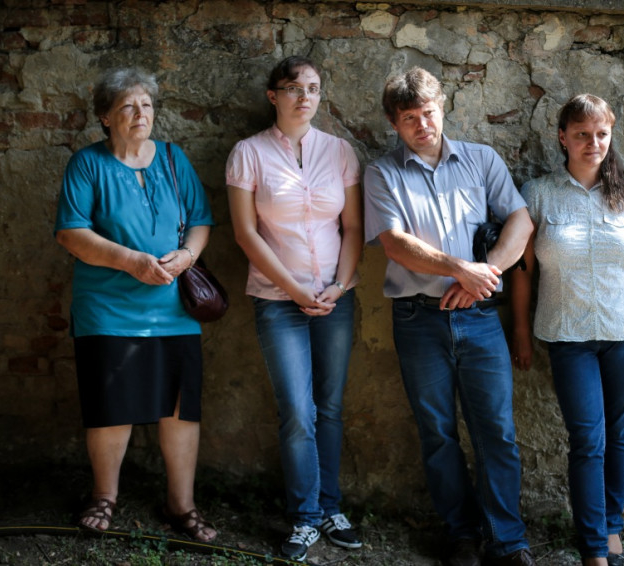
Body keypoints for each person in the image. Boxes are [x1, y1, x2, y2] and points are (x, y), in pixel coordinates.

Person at [363, 67, 537, 566]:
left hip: (480, 316)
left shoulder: (481, 160)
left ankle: (507, 539)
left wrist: (485, 273)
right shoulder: (382, 173)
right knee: (437, 432)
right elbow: (395, 244)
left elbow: (521, 220)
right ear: (394, 124)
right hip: (418, 320)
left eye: (428, 113)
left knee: (496, 431)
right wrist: (460, 268)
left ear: (443, 108)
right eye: (409, 118)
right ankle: (461, 535)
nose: (422, 125)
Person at [54, 68, 217, 542]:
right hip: (107, 309)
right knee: (112, 407)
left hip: (174, 310)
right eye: (127, 106)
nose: (140, 113)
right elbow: (71, 232)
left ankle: (181, 505)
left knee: (180, 409)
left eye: (146, 105)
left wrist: (187, 256)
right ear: (105, 117)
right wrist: (130, 261)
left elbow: (201, 220)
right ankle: (104, 497)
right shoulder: (87, 164)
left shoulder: (173, 158)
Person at [511, 94, 624, 566]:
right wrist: (520, 331)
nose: (593, 143)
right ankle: (594, 547)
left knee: (620, 436)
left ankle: (612, 528)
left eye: (601, 134)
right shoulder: (538, 193)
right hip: (567, 336)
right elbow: (522, 273)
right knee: (587, 439)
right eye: (582, 134)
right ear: (563, 137)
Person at [225, 55, 363, 562]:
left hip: (335, 299)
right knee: (298, 411)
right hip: (277, 300)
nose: (305, 97)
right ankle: (305, 517)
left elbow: (353, 227)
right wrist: (294, 289)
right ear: (273, 96)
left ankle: (330, 508)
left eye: (313, 88)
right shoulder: (248, 153)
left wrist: (339, 285)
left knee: (330, 405)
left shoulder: (340, 151)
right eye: (294, 88)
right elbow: (245, 233)